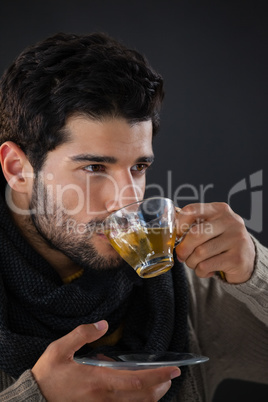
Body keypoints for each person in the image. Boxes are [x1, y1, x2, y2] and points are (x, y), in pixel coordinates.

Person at [0, 32, 267, 402]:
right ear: (17, 168)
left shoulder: (187, 283)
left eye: (139, 167)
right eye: (95, 167)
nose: (128, 197)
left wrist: (255, 270)